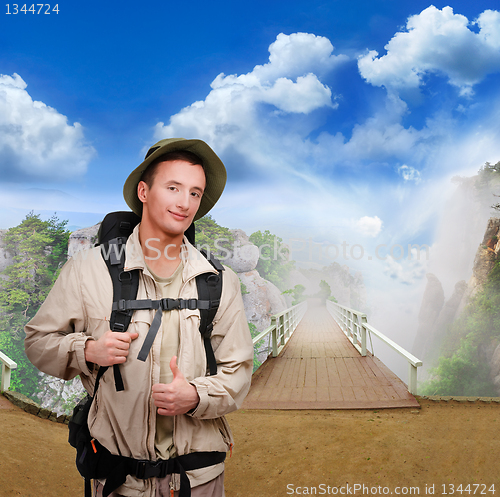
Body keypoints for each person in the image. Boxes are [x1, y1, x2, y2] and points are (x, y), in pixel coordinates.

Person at [24, 138, 254, 497]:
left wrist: (195, 395)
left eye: (195, 193)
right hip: (118, 479)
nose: (184, 202)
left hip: (199, 479)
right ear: (144, 191)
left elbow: (237, 372)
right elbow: (38, 342)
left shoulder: (220, 281)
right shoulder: (89, 269)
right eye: (173, 187)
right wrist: (86, 350)